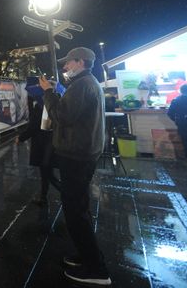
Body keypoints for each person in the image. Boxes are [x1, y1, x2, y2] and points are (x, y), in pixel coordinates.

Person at [39, 47, 111, 286]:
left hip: (76, 155)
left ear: (81, 62)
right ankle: (87, 256)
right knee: (79, 207)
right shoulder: (87, 83)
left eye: (68, 63)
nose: (65, 67)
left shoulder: (81, 85)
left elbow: (62, 116)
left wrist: (49, 93)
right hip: (83, 153)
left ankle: (96, 270)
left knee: (76, 212)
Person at [17, 77, 60, 206]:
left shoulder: (43, 105)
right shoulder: (57, 100)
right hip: (54, 141)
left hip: (44, 143)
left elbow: (34, 126)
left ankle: (66, 193)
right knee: (47, 171)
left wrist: (21, 137)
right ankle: (43, 197)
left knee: (46, 171)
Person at [168, 84, 187, 164]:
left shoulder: (176, 100)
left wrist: (176, 120)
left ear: (181, 91)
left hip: (183, 124)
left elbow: (170, 113)